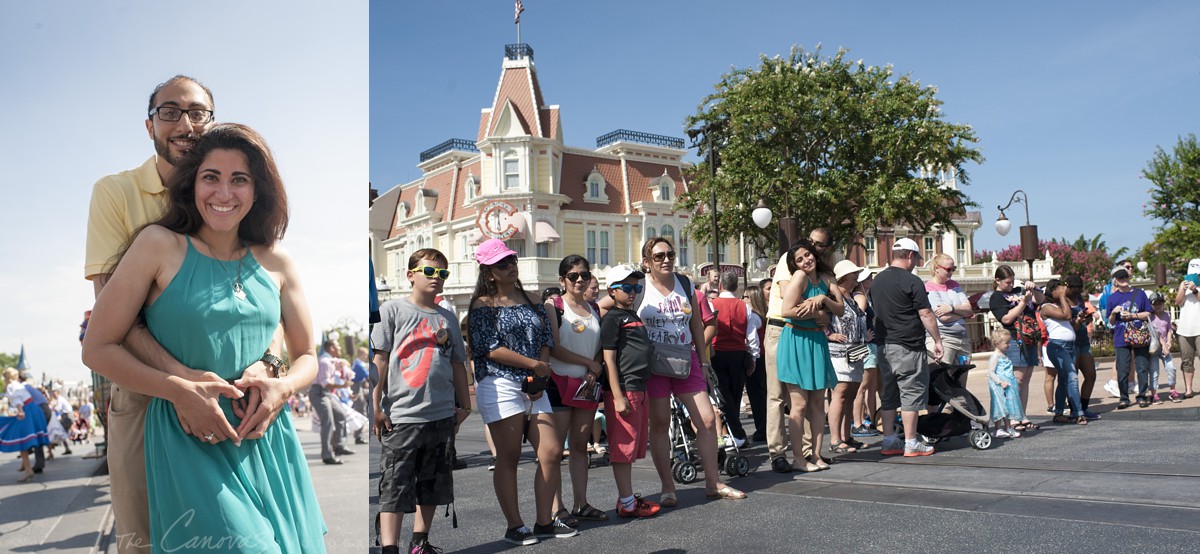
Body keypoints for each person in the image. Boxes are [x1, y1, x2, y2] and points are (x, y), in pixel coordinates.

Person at [81, 123, 327, 551]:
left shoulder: (278, 260)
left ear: (259, 190)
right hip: (188, 438)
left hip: (268, 440)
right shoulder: (157, 245)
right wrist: (177, 390)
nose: (224, 193)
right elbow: (97, 348)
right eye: (211, 177)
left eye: (239, 179)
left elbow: (307, 353)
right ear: (191, 184)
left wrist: (281, 385)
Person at [600, 238, 746, 503]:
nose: (666, 260)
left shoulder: (686, 284)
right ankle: (668, 487)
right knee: (660, 424)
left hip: (686, 359)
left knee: (707, 419)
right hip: (652, 365)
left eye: (669, 254)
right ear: (647, 263)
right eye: (658, 257)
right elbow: (602, 307)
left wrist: (702, 359)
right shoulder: (638, 287)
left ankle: (713, 483)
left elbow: (697, 325)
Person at [467, 239, 576, 545]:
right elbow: (488, 348)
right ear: (489, 272)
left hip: (533, 384)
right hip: (499, 383)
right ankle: (515, 525)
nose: (511, 266)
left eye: (512, 260)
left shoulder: (531, 299)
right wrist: (534, 365)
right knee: (509, 456)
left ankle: (544, 521)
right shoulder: (481, 305)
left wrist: (540, 370)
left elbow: (545, 337)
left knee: (552, 451)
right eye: (502, 263)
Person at [371, 248, 471, 554]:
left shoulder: (448, 318)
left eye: (442, 274)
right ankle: (390, 547)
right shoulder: (393, 310)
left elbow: (457, 364)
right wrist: (374, 406)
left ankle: (420, 541)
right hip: (402, 415)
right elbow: (380, 360)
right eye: (429, 272)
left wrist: (465, 406)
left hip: (441, 415)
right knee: (395, 486)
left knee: (433, 484)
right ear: (411, 275)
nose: (436, 279)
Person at [543, 255, 608, 526]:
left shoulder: (594, 307)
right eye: (573, 276)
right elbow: (555, 348)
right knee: (555, 450)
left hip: (586, 385)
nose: (579, 279)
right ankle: (556, 509)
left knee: (580, 446)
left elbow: (599, 346)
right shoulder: (554, 306)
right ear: (562, 281)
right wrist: (588, 363)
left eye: (584, 274)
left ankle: (581, 503)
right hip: (558, 383)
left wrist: (594, 369)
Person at [599, 264, 661, 518]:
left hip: (639, 387)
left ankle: (626, 498)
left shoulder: (632, 315)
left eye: (636, 287)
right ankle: (627, 502)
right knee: (623, 449)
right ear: (612, 291)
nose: (633, 292)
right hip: (625, 388)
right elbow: (609, 360)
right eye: (626, 287)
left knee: (632, 448)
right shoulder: (613, 318)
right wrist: (618, 396)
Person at [871, 238, 943, 457]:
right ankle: (911, 442)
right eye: (916, 259)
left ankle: (889, 440)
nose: (916, 264)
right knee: (910, 394)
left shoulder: (877, 281)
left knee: (889, 394)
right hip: (909, 345)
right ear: (910, 255)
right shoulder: (912, 281)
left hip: (884, 345)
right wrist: (937, 341)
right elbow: (926, 314)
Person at [778, 238, 844, 471]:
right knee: (799, 405)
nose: (806, 260)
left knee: (818, 403)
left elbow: (841, 309)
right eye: (799, 259)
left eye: (808, 255)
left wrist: (823, 299)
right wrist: (818, 314)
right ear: (794, 265)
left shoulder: (827, 279)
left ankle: (815, 455)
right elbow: (787, 310)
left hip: (817, 341)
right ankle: (798, 458)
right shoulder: (799, 278)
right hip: (796, 340)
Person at [988, 265, 1045, 431]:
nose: (1011, 285)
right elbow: (1006, 319)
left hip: (1029, 338)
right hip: (1013, 339)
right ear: (998, 281)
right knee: (1015, 380)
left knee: (1025, 380)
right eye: (1007, 282)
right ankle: (1013, 417)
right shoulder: (996, 298)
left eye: (1012, 281)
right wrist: (1022, 303)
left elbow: (1040, 300)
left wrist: (1035, 288)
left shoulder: (1019, 290)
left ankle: (1022, 415)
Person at [827, 260, 868, 454]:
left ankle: (846, 436)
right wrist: (829, 334)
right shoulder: (833, 296)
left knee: (851, 394)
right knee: (840, 393)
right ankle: (835, 439)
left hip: (856, 350)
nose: (856, 277)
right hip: (839, 351)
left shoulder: (852, 296)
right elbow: (821, 317)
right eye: (853, 274)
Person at [710, 271, 755, 446]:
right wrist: (753, 357)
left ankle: (733, 432)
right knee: (735, 395)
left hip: (717, 353)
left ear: (720, 285)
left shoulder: (712, 304)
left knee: (723, 394)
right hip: (738, 353)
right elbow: (751, 337)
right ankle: (735, 432)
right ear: (736, 287)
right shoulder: (745, 307)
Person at [1041, 279, 1086, 425]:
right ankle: (1078, 413)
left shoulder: (1062, 305)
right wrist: (1062, 296)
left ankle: (1059, 413)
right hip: (1057, 347)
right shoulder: (1046, 307)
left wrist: (1078, 321)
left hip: (1070, 346)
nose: (1063, 291)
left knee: (1063, 379)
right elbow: (1066, 316)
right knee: (1072, 377)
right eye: (1059, 289)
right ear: (1052, 291)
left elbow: (1070, 324)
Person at [1106, 266, 1153, 408]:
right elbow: (1111, 322)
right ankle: (1124, 398)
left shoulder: (1140, 294)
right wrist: (1114, 313)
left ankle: (1142, 396)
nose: (1124, 280)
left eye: (1126, 277)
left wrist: (1133, 316)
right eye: (1121, 278)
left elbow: (1149, 313)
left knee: (1142, 367)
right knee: (1122, 369)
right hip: (1121, 336)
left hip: (1140, 335)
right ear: (1116, 281)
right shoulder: (1112, 298)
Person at [924, 253, 973, 380]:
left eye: (953, 269)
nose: (951, 272)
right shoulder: (929, 288)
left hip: (963, 341)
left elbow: (969, 309)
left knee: (961, 382)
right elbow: (943, 318)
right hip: (944, 340)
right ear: (936, 268)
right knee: (944, 382)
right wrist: (963, 315)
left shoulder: (955, 285)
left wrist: (951, 309)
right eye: (948, 269)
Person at [2, 367, 49, 482]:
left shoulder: (11, 386)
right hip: (33, 409)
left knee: (22, 440)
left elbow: (17, 398)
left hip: (26, 410)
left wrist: (20, 411)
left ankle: (28, 469)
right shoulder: (19, 384)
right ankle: (26, 466)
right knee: (26, 440)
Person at [312, 339, 355, 464]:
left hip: (327, 394)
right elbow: (325, 383)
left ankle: (340, 446)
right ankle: (327, 455)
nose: (340, 350)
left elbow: (341, 364)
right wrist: (343, 386)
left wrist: (344, 367)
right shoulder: (325, 362)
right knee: (328, 422)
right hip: (319, 393)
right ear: (331, 348)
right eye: (338, 347)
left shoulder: (330, 361)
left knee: (341, 414)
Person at [1066, 275, 1102, 420]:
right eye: (1075, 289)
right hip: (1070, 342)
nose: (1078, 292)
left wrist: (1085, 318)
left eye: (1080, 289)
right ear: (1068, 287)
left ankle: (1084, 407)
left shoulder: (1079, 299)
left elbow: (1082, 320)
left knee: (1091, 375)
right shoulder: (1063, 301)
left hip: (1083, 340)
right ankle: (1075, 409)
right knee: (1072, 377)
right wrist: (1077, 320)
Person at [852, 270, 881, 438]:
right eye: (869, 277)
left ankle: (868, 419)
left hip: (870, 345)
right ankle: (858, 422)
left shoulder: (867, 296)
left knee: (870, 386)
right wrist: (864, 336)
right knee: (862, 387)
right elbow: (857, 317)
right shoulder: (859, 296)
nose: (872, 279)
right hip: (866, 346)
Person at [987, 329, 1024, 438]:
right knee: (1000, 406)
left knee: (1008, 406)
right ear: (998, 343)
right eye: (1006, 343)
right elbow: (991, 372)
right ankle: (998, 429)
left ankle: (1008, 427)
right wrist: (1000, 381)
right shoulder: (995, 356)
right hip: (999, 387)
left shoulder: (1005, 355)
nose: (1009, 345)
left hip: (1008, 386)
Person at [742, 287, 768, 443]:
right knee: (761, 394)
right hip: (764, 356)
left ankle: (762, 429)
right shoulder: (762, 315)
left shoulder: (753, 316)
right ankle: (764, 428)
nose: (742, 299)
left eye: (745, 296)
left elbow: (752, 339)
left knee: (756, 395)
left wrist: (752, 358)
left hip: (757, 356)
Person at [1173, 258, 1200, 399]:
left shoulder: (1196, 287)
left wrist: (1195, 290)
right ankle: (1188, 389)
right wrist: (1183, 290)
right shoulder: (1183, 284)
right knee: (1186, 360)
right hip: (1185, 329)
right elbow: (1177, 302)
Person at [1149, 293, 1179, 403]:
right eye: (1155, 304)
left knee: (1171, 368)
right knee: (1154, 371)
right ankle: (1154, 394)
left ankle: (1172, 390)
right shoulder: (1150, 316)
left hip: (1165, 347)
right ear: (1151, 305)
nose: (1158, 306)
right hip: (1154, 348)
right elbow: (1156, 333)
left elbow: (1169, 330)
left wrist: (1169, 341)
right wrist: (1164, 345)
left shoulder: (1167, 315)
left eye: (1160, 303)